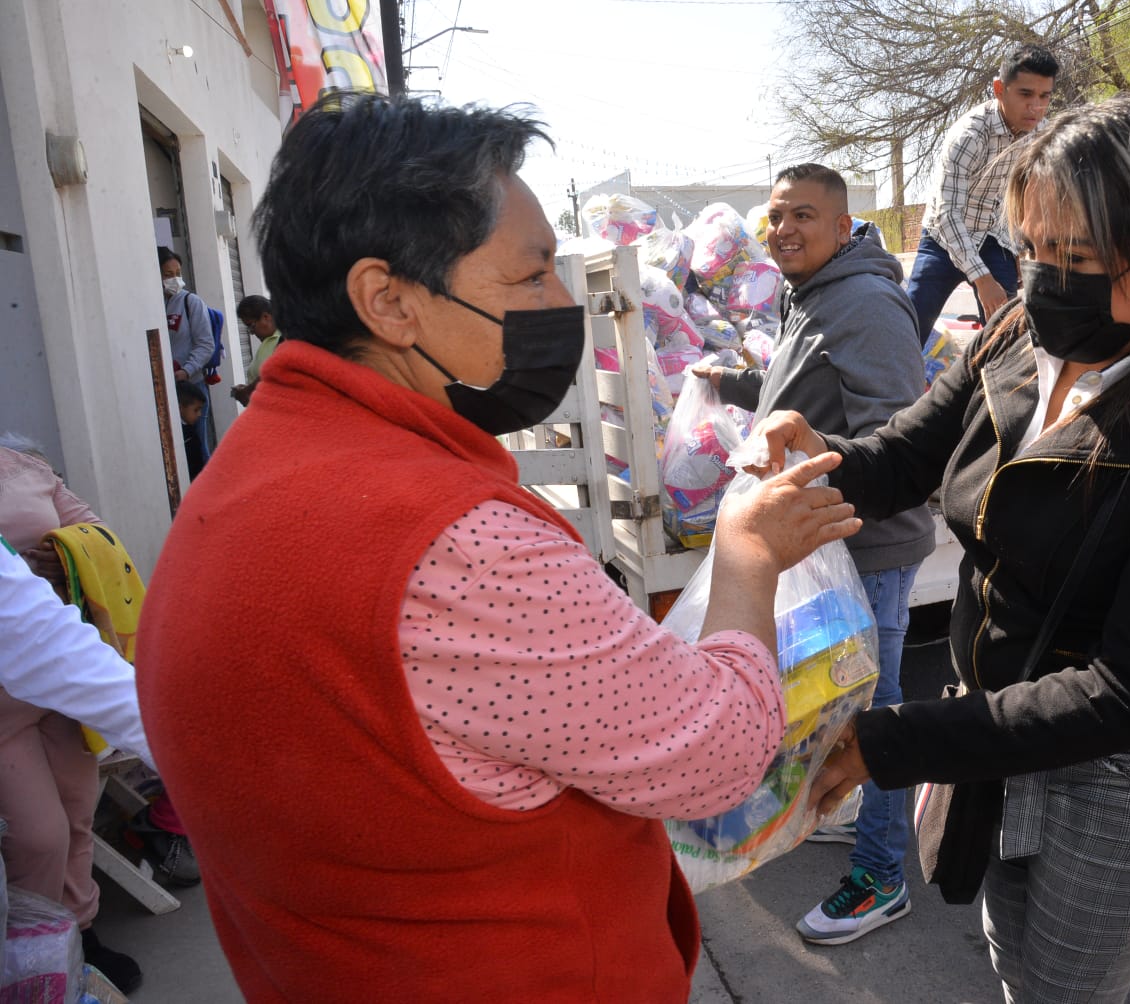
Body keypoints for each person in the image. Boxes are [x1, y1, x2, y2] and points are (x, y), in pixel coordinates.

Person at [133, 94, 861, 1002]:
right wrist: (749, 553)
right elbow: (712, 755)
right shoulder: (451, 545)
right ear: (388, 300)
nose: (564, 306)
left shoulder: (249, 471)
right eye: (531, 278)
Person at [760, 95, 1130, 1002]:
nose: (1045, 280)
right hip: (998, 719)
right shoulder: (1014, 337)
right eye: (1033, 248)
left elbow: (1129, 690)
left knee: (1062, 988)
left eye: (1078, 258)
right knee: (1013, 955)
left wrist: (898, 740)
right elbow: (905, 455)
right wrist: (816, 465)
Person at [691, 163, 935, 945]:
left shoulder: (863, 302)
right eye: (773, 216)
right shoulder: (817, 295)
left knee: (878, 717)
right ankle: (850, 817)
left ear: (842, 226)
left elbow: (896, 439)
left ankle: (882, 877)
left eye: (802, 215)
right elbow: (803, 388)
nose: (782, 229)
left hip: (868, 550)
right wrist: (733, 385)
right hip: (823, 541)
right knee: (829, 705)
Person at [0, 437, 144, 992]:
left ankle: (81, 934)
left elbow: (98, 534)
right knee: (38, 834)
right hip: (10, 700)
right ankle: (34, 952)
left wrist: (68, 564)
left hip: (63, 677)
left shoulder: (26, 465)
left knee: (78, 812)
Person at [904, 44, 1058, 342]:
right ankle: (893, 386)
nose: (1035, 107)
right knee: (909, 327)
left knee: (1005, 335)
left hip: (994, 238)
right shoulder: (970, 135)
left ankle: (986, 387)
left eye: (1044, 96)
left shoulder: (1043, 135)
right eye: (1025, 94)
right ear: (1000, 89)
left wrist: (1022, 248)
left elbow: (1036, 198)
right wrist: (982, 278)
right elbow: (947, 214)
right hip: (943, 238)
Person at [159, 246, 215, 469]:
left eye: (178, 273)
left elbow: (205, 344)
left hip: (190, 389)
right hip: (163, 390)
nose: (175, 279)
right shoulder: (148, 304)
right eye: (167, 274)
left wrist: (187, 370)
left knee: (196, 448)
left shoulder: (190, 303)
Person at [231, 295, 280, 406]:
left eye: (251, 326)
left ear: (266, 317)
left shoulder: (286, 339)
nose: (252, 332)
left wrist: (247, 391)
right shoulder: (269, 341)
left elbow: (275, 372)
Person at [176, 381, 207, 480]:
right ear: (180, 408)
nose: (199, 414)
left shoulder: (191, 431)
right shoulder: (181, 434)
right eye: (196, 410)